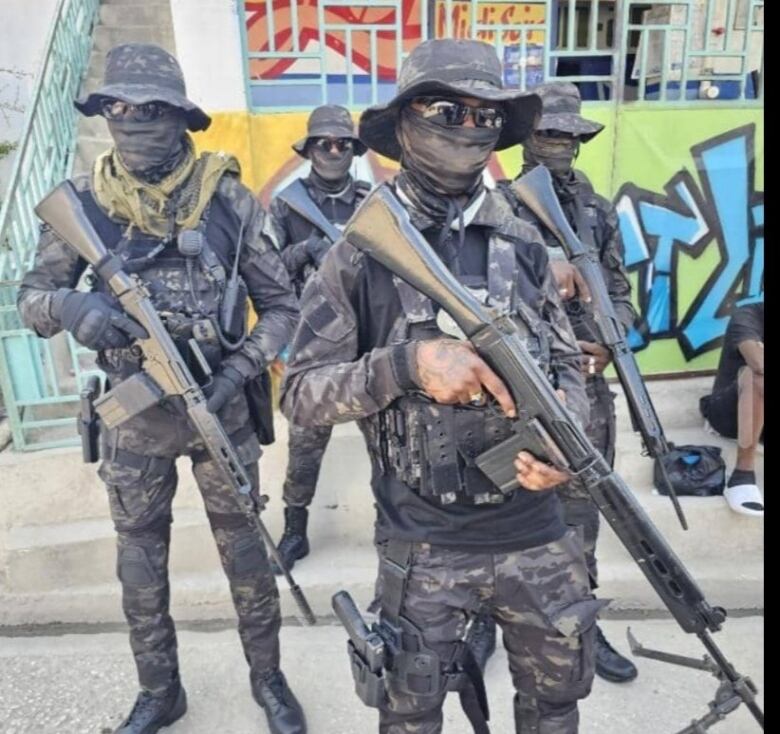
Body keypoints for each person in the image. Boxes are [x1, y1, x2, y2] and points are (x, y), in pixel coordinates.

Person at [281, 39, 603, 734]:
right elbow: (299, 392)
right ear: (402, 125)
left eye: (485, 115)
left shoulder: (522, 241)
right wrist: (405, 366)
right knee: (410, 716)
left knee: (555, 707)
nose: (467, 126)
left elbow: (565, 362)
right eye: (445, 109)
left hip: (538, 538)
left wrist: (563, 444)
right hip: (423, 545)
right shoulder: (359, 252)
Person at [17, 44, 306, 734]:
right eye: (119, 108)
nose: (134, 121)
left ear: (181, 117)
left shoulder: (228, 198)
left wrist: (239, 369)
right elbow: (33, 296)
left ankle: (268, 680)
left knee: (247, 560)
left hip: (221, 412)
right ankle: (160, 690)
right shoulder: (83, 204)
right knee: (140, 565)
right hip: (135, 421)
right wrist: (73, 310)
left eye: (151, 110)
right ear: (104, 115)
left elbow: (286, 308)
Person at [501, 81, 639, 684]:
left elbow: (622, 294)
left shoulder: (598, 210)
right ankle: (488, 620)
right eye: (547, 133)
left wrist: (609, 343)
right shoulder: (494, 206)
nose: (558, 144)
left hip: (585, 383)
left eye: (568, 135)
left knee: (583, 510)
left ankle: (581, 620)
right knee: (506, 509)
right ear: (526, 139)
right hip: (514, 388)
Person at [265, 105, 370, 573]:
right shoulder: (287, 205)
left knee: (389, 442)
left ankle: (396, 530)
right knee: (306, 443)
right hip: (315, 342)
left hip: (368, 338)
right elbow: (266, 275)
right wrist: (303, 250)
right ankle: (294, 531)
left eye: (342, 144)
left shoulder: (372, 202)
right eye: (324, 143)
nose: (333, 151)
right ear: (308, 150)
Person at [700, 302, 764, 516]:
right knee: (757, 376)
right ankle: (742, 477)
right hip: (728, 414)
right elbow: (758, 362)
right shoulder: (748, 315)